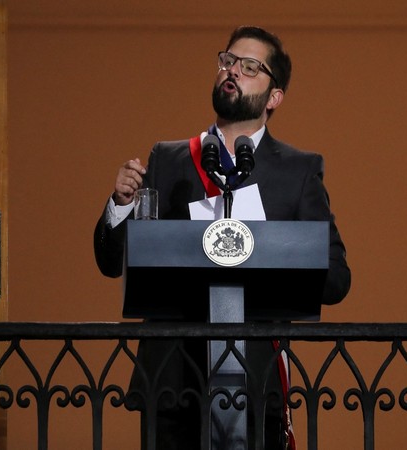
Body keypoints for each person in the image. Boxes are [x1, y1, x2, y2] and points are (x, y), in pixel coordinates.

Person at [94, 25, 351, 450]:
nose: (233, 70)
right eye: (228, 61)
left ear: (274, 97)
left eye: (250, 66)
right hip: (173, 383)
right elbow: (113, 262)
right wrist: (120, 204)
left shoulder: (298, 171)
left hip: (256, 384)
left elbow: (337, 279)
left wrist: (270, 254)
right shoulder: (169, 159)